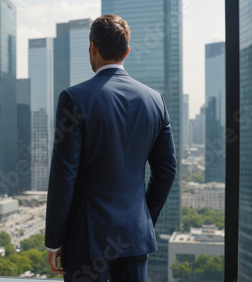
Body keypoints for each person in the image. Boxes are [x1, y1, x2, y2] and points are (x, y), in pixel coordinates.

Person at [45, 14, 177, 282]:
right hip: (135, 239)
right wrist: (143, 219)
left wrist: (54, 241)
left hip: (87, 241)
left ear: (92, 47)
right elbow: (167, 171)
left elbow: (64, 175)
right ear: (126, 51)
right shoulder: (155, 101)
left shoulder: (74, 98)